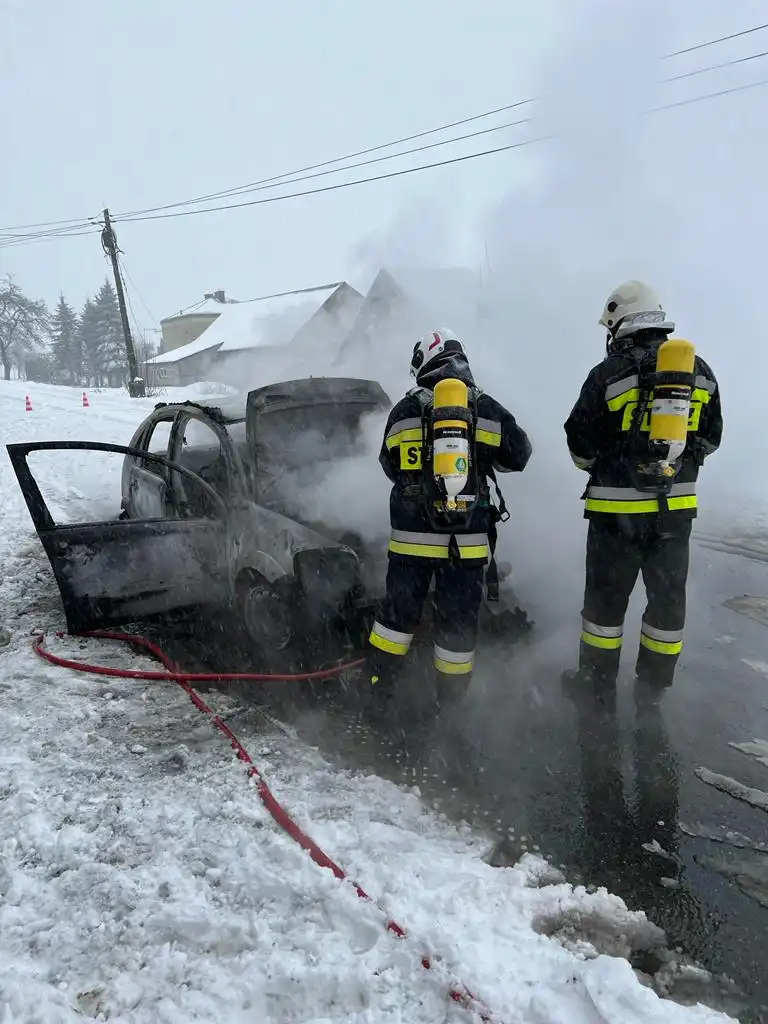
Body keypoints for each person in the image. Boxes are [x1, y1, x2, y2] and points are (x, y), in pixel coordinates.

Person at [562, 280, 723, 708]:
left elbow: (579, 445)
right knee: (667, 605)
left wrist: (611, 462)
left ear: (618, 323)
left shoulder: (608, 375)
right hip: (674, 516)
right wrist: (677, 466)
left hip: (614, 519)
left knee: (604, 609)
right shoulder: (700, 373)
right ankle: (652, 690)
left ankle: (595, 687)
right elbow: (711, 440)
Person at [367, 328, 532, 716]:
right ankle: (451, 707)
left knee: (395, 624)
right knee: (457, 630)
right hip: (467, 545)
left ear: (424, 362)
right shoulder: (485, 407)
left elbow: (389, 463)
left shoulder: (406, 409)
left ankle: (377, 695)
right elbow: (519, 455)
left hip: (411, 545)